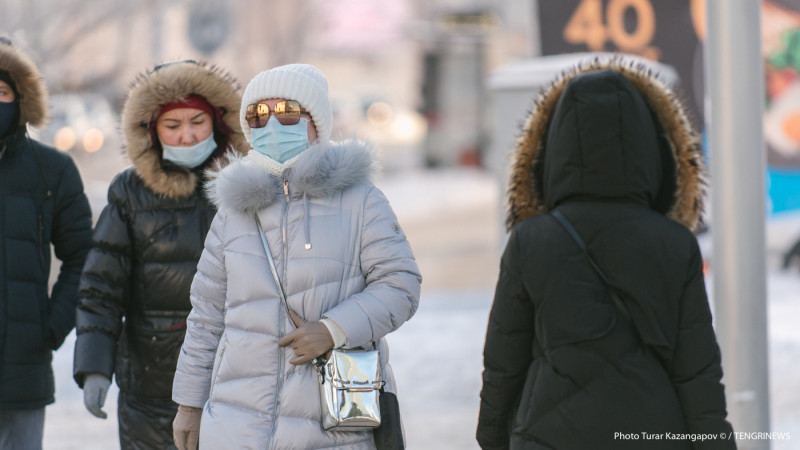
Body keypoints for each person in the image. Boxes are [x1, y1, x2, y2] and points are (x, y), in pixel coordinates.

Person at [476, 59, 736, 449]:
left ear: (554, 147)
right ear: (650, 145)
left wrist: (492, 436)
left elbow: (504, 361)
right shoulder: (673, 243)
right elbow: (696, 370)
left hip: (548, 436)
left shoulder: (532, 240)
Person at [171, 63, 422, 449]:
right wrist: (188, 403)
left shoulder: (360, 199)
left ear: (315, 122)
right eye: (258, 114)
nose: (271, 124)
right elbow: (206, 314)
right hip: (237, 427)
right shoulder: (233, 211)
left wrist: (333, 329)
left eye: (287, 111)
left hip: (333, 428)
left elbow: (400, 285)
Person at [72, 59, 247, 450]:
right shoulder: (129, 193)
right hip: (152, 388)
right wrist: (94, 366)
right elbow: (100, 289)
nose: (186, 135)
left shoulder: (247, 189)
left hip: (236, 382)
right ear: (152, 131)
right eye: (172, 125)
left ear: (217, 123)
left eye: (196, 122)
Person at [0, 38, 93, 450]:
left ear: (20, 98)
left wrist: (51, 327)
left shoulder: (51, 169)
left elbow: (84, 258)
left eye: (0, 91)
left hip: (21, 373)